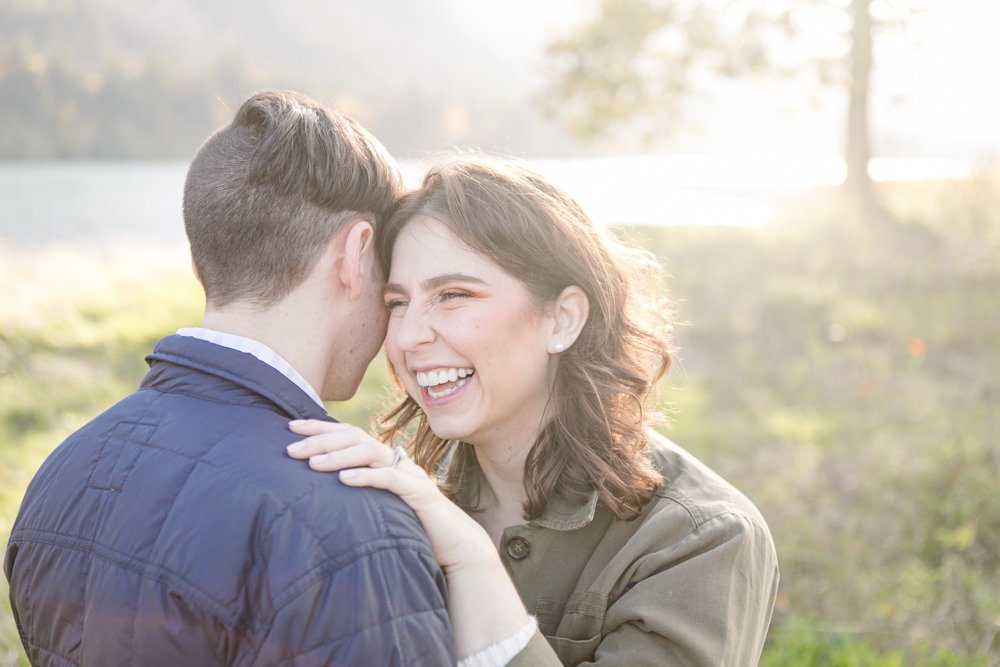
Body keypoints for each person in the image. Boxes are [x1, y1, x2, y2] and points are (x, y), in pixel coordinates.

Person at [4, 91, 456, 666]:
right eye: (390, 276)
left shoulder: (63, 471)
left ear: (201, 263)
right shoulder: (353, 527)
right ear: (354, 254)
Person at [286, 157, 780, 666]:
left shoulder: (699, 540)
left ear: (562, 319)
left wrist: (472, 561)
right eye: (397, 303)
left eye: (454, 295)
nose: (409, 336)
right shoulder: (399, 507)